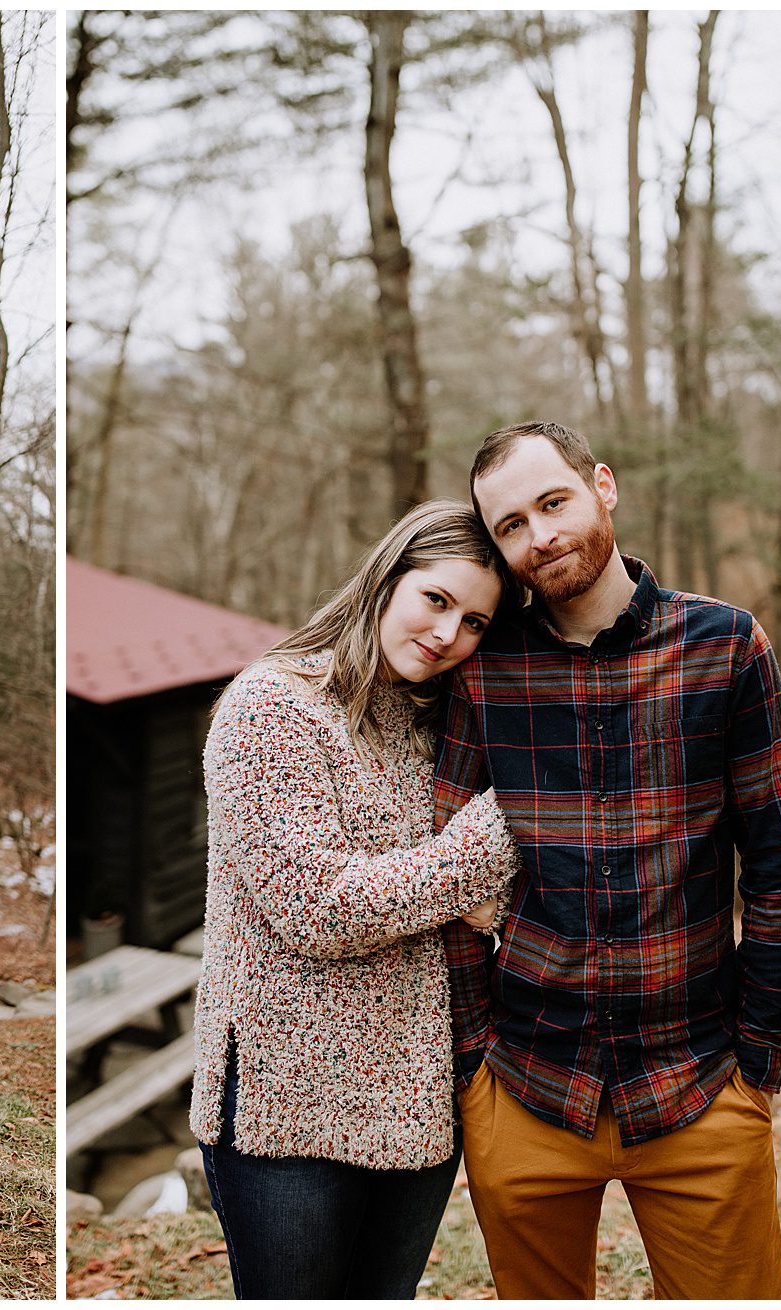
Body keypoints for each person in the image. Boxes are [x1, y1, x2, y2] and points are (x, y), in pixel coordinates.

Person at [438, 421, 781, 1299]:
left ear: (602, 485)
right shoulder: (482, 672)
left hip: (700, 1085)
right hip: (525, 1085)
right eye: (512, 525)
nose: (542, 536)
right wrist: (473, 1064)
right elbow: (445, 868)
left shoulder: (726, 646)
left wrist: (759, 1062)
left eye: (554, 501)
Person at [190, 500, 523, 1300]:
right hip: (286, 1109)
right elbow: (320, 907)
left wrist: (440, 888)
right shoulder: (272, 707)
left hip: (417, 1104)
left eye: (475, 621)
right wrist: (497, 829)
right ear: (386, 579)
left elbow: (485, 902)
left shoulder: (440, 721)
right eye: (435, 600)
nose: (448, 635)